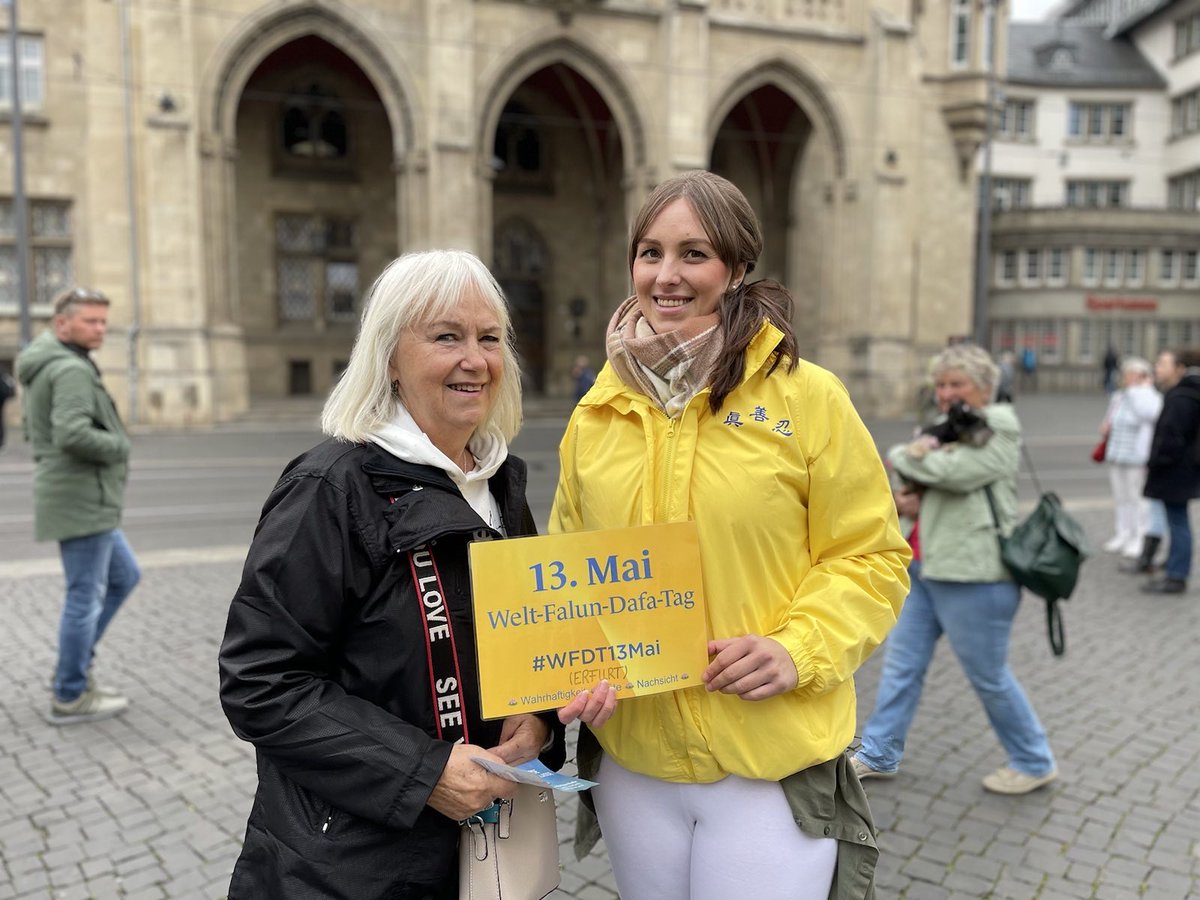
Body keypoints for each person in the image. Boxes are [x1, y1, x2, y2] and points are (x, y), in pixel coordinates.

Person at [550, 170, 912, 900]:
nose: (665, 275)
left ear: (737, 268)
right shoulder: (597, 411)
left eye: (693, 253)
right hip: (635, 761)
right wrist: (572, 664)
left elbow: (871, 558)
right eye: (649, 252)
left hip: (766, 763)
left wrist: (796, 648)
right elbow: (569, 567)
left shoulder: (808, 397)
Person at [218, 250, 567, 898]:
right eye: (445, 336)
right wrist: (424, 772)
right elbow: (260, 681)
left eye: (489, 338)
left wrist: (541, 717)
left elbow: (523, 636)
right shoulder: (331, 487)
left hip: (481, 848)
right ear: (390, 358)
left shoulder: (500, 485)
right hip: (348, 864)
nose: (475, 359)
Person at [853, 343, 1058, 796]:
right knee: (901, 666)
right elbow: (909, 479)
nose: (945, 393)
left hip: (975, 574)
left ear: (984, 388)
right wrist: (912, 479)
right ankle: (879, 753)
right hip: (924, 564)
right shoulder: (944, 427)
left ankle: (1033, 759)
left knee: (988, 675)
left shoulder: (1000, 425)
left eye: (956, 384)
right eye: (941, 384)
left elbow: (957, 473)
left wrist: (911, 454)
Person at [16, 287, 140, 725]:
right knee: (84, 597)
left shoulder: (54, 361)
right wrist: (119, 444)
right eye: (91, 321)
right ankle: (70, 692)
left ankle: (73, 668)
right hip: (81, 496)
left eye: (104, 321)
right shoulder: (68, 369)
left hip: (82, 496)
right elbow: (70, 433)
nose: (101, 329)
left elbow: (40, 431)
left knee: (124, 576)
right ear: (62, 322)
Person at [1141, 346, 1200, 594]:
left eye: (1163, 364)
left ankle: (1177, 575)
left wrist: (1158, 461)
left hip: (1176, 471)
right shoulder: (1186, 394)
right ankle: (1175, 567)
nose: (1158, 368)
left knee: (1178, 522)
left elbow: (1170, 437)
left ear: (1179, 369)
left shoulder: (1181, 397)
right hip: (1183, 469)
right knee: (1177, 520)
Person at [1098, 357, 1161, 558]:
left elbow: (1148, 414)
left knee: (1137, 498)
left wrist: (1137, 391)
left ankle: (1139, 536)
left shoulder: (1149, 396)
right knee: (1121, 497)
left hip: (1137, 455)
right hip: (1117, 452)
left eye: (1130, 374)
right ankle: (1123, 532)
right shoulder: (1119, 397)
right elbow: (1111, 419)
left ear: (1141, 376)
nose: (1125, 378)